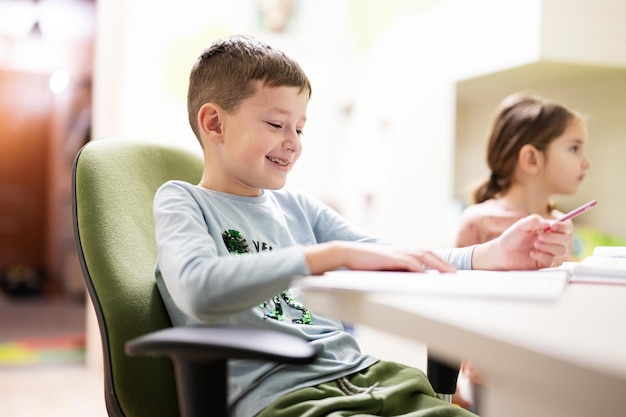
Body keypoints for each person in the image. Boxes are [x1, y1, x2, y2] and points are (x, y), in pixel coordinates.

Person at [153, 35, 572, 417]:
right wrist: (330, 256)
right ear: (214, 124)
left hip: (374, 379)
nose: (295, 142)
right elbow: (197, 288)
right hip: (289, 400)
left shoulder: (298, 208)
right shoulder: (183, 200)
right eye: (277, 125)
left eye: (299, 128)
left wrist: (490, 254)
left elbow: (397, 259)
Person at [452, 93, 591, 410]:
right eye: (574, 148)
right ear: (531, 159)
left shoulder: (561, 225)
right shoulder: (477, 221)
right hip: (491, 376)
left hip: (549, 371)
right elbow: (454, 305)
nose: (587, 161)